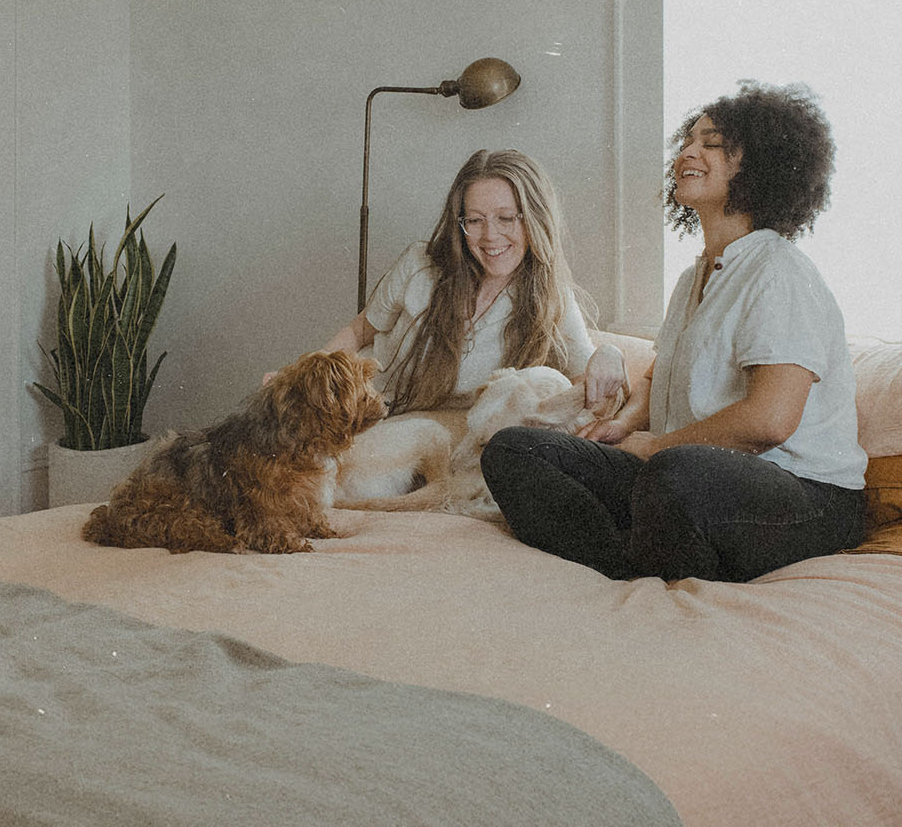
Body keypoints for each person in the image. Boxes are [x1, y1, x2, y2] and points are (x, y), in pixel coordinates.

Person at [481, 82, 867, 583]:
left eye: (711, 142)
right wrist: (624, 426)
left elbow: (769, 421)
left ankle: (647, 555)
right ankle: (626, 565)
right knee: (514, 450)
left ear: (760, 164)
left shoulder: (778, 271)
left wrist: (655, 447)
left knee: (674, 474)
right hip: (684, 477)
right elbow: (658, 374)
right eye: (688, 140)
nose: (687, 151)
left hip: (807, 497)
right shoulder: (695, 278)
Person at [321, 148, 626, 415]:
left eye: (506, 218)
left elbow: (586, 382)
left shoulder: (551, 297)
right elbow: (359, 331)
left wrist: (610, 354)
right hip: (362, 411)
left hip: (437, 433)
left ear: (535, 219)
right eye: (475, 220)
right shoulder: (419, 264)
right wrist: (303, 374)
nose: (490, 236)